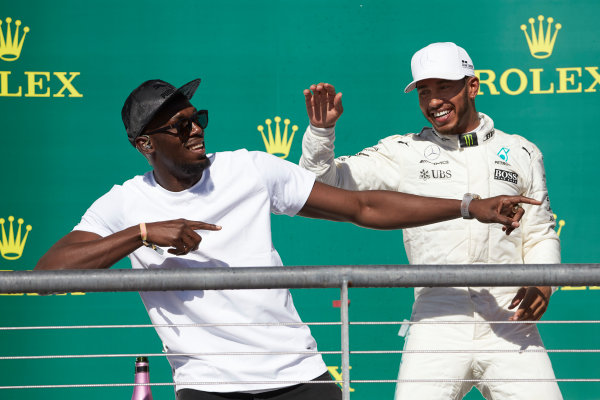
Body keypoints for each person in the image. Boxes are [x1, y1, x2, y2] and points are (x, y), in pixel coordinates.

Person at [36, 77, 536, 400]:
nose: (195, 130)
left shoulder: (248, 169)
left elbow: (363, 206)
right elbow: (45, 276)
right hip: (208, 387)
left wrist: (469, 206)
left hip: (299, 377)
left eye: (198, 118)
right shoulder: (125, 203)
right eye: (180, 125)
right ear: (145, 144)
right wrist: (142, 234)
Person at [299, 42, 562, 400]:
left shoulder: (522, 151)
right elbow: (321, 185)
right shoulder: (403, 151)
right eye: (424, 92)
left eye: (444, 88)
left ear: (473, 86)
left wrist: (544, 283)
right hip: (437, 319)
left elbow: (541, 233)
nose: (434, 101)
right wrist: (321, 134)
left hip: (510, 321)